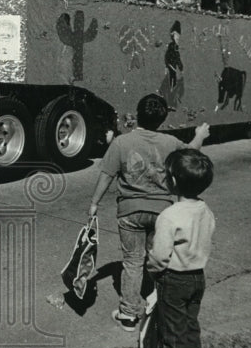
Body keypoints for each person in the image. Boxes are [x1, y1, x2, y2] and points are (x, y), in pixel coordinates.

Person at [88, 94, 210, 331]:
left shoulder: (122, 142)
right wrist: (199, 136)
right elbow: (191, 155)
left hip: (130, 212)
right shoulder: (170, 142)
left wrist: (94, 203)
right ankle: (158, 304)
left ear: (137, 114)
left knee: (132, 262)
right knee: (159, 259)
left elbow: (106, 175)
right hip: (162, 212)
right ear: (163, 118)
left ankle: (128, 315)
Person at [145, 148, 216, 348]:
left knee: (172, 332)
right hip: (198, 277)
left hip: (174, 278)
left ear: (172, 181)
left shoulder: (169, 216)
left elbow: (161, 254)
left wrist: (153, 270)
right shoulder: (205, 210)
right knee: (190, 329)